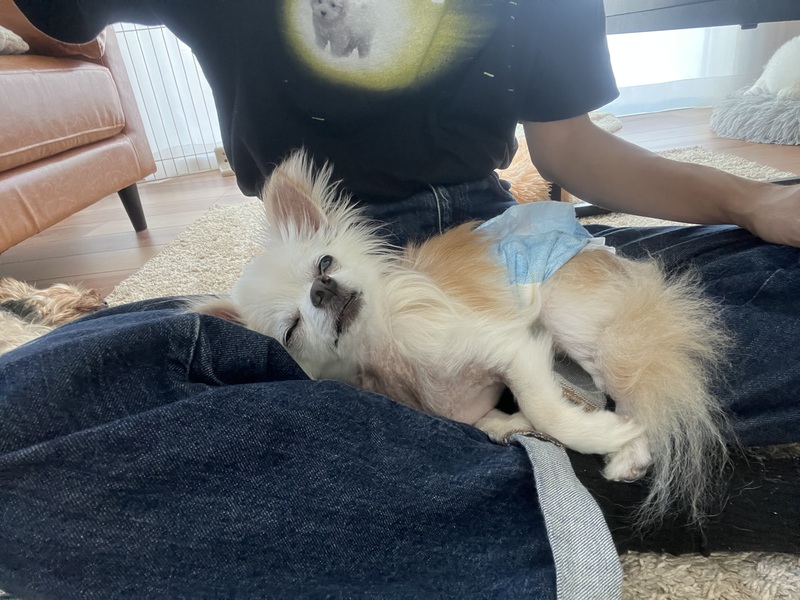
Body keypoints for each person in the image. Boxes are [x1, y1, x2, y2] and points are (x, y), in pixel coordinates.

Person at [1, 1, 798, 597]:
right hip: (313, 277)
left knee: (694, 299)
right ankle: (562, 490)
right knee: (36, 414)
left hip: (496, 241)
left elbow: (571, 146)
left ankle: (453, 481)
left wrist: (750, 202)